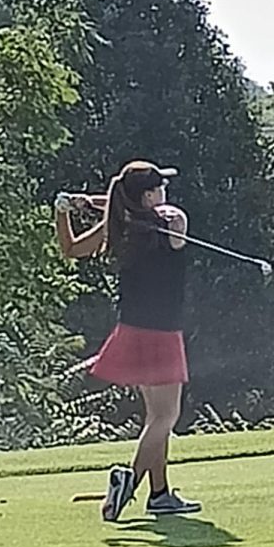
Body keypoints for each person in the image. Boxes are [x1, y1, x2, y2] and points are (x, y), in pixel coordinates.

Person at [55, 160, 202, 522]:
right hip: (163, 331)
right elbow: (167, 214)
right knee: (168, 415)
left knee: (155, 417)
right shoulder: (173, 222)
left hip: (133, 328)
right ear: (150, 195)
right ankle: (129, 479)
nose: (165, 193)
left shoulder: (119, 228)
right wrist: (99, 203)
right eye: (159, 188)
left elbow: (71, 248)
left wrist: (69, 211)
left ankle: (160, 494)